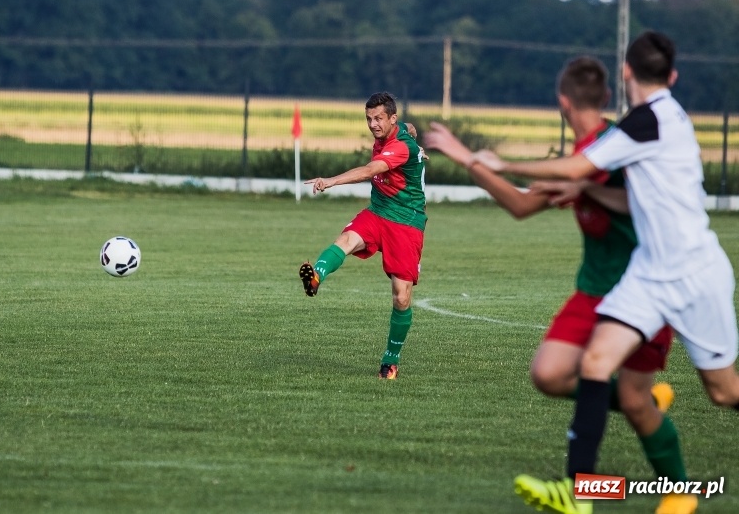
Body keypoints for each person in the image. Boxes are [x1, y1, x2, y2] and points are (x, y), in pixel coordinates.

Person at [468, 31, 739, 514]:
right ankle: (579, 494)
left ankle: (660, 491)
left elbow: (575, 170)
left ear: (627, 72)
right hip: (649, 274)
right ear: (672, 76)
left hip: (696, 273)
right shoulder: (651, 120)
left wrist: (499, 160)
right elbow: (615, 190)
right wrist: (589, 192)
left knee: (725, 392)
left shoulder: (645, 122)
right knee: (595, 364)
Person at [424, 55, 695, 514]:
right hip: (594, 289)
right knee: (549, 374)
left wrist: (475, 156)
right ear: (605, 97)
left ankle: (678, 494)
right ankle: (598, 473)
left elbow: (642, 198)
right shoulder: (577, 159)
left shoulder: (619, 146)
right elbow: (521, 205)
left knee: (632, 400)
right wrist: (468, 160)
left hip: (645, 288)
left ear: (561, 103)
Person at [299, 91, 427, 380]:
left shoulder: (399, 147)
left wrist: (330, 181)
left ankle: (390, 361)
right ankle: (316, 276)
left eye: (378, 118)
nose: (372, 124)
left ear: (391, 118)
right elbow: (411, 128)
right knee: (344, 241)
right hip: (378, 211)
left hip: (406, 222)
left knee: (401, 297)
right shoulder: (398, 129)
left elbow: (372, 169)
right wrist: (417, 144)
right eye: (369, 118)